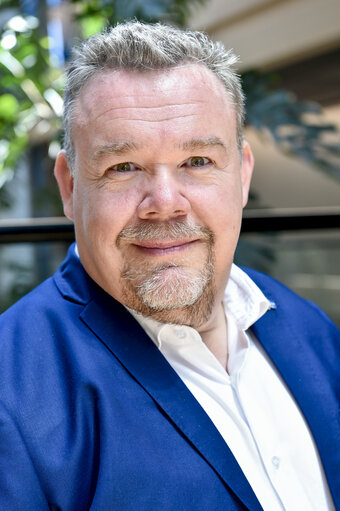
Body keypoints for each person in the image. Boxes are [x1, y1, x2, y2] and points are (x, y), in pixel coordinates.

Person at [0, 21, 339, 511]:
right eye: (124, 167)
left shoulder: (307, 326)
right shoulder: (14, 392)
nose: (165, 203)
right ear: (70, 186)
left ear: (242, 174)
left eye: (197, 161)